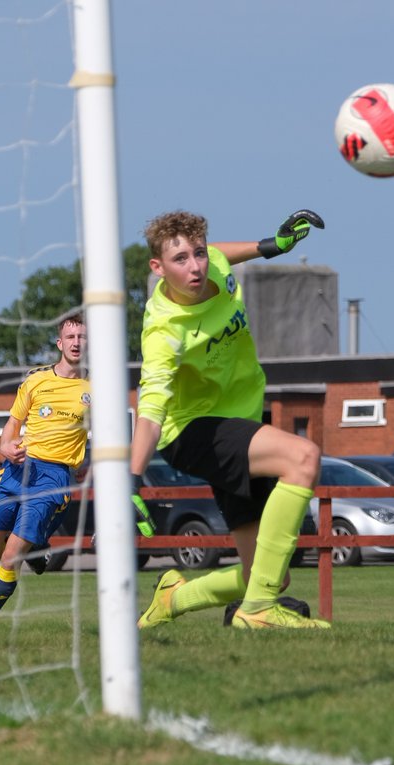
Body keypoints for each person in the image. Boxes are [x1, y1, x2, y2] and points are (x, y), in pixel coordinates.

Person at [133, 209, 330, 631]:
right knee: (303, 456)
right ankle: (257, 612)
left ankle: (174, 598)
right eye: (180, 259)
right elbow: (150, 411)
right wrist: (131, 479)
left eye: (198, 253)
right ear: (158, 268)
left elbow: (222, 255)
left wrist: (267, 247)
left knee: (269, 573)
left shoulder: (215, 267)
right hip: (191, 432)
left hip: (239, 422)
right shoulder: (164, 331)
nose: (195, 266)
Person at [0, 314, 104, 629]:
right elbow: (12, 425)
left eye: (82, 337)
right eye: (70, 337)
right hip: (17, 470)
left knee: (9, 556)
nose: (76, 343)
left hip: (53, 478)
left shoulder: (97, 389)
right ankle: (34, 551)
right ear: (60, 343)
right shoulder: (36, 380)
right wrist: (5, 445)